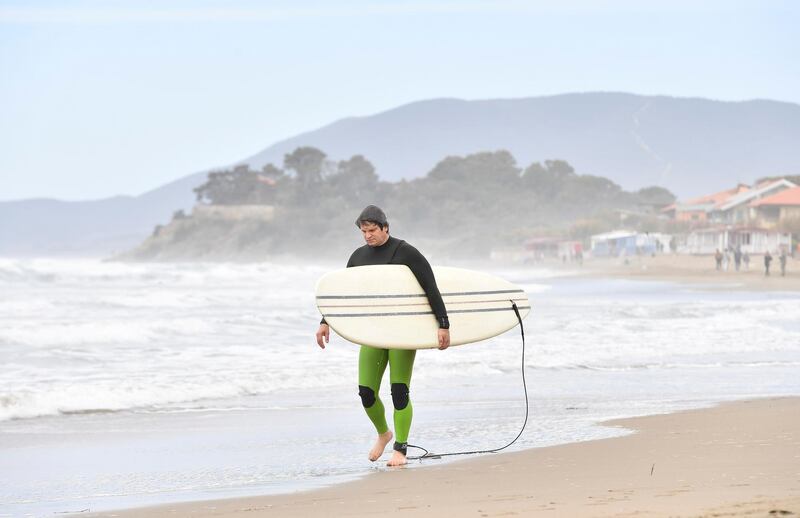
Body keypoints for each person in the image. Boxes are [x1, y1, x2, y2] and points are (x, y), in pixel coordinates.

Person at [315, 205, 450, 467]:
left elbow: (430, 288)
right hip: (374, 333)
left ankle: (401, 448)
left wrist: (443, 324)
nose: (367, 236)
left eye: (372, 230)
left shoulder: (406, 252)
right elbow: (343, 294)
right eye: (363, 231)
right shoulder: (357, 257)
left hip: (403, 332)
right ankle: (383, 434)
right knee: (366, 392)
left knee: (399, 391)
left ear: (385, 227)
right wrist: (325, 320)